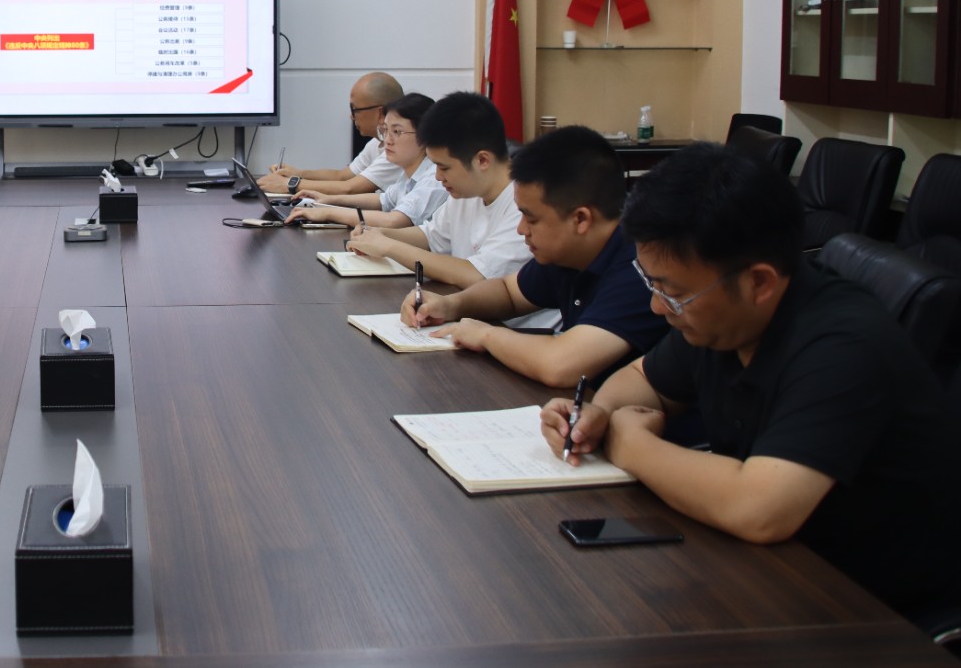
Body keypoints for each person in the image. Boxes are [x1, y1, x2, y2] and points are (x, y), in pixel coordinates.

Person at [540, 143, 961, 629]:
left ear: (759, 282)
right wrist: (598, 414)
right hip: (771, 572)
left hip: (878, 612)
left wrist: (630, 444)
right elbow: (640, 379)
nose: (658, 307)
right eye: (652, 285)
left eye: (672, 292)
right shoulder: (721, 317)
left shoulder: (845, 344)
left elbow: (759, 508)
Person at [400, 125, 665, 388]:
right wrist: (450, 305)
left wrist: (487, 335)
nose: (521, 229)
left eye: (532, 218)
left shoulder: (642, 267)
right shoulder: (571, 250)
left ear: (581, 219)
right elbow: (509, 292)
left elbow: (560, 365)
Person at [345, 91, 529, 290]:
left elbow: (477, 275)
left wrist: (388, 246)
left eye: (444, 167)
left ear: (482, 160)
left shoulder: (524, 205)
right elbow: (431, 236)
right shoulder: (467, 191)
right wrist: (380, 234)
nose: (438, 176)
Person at [285, 93, 447, 230]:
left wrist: (328, 212)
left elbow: (394, 221)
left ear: (425, 136)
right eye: (386, 130)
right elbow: (383, 200)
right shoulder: (409, 173)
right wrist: (328, 200)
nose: (387, 140)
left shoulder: (434, 178)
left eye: (397, 132)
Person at [259, 71, 404, 198]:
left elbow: (349, 188)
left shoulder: (398, 149)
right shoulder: (376, 143)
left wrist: (288, 184)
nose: (351, 116)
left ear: (380, 113)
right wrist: (296, 173)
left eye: (355, 110)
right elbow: (342, 176)